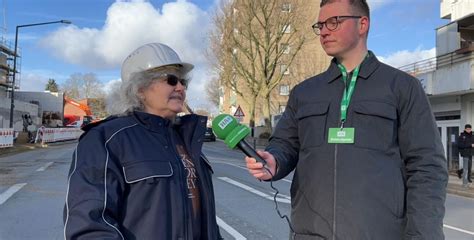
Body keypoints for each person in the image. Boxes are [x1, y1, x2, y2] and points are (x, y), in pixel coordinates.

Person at [245, 0, 448, 239]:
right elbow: (285, 144)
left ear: (363, 24)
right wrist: (274, 160)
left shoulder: (403, 88)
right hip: (310, 233)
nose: (324, 30)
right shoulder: (304, 92)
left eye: (334, 21)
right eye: (320, 24)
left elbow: (427, 168)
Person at [64, 43, 222, 239]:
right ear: (140, 88)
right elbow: (89, 226)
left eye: (183, 82)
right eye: (171, 80)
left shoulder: (185, 139)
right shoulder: (107, 139)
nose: (180, 87)